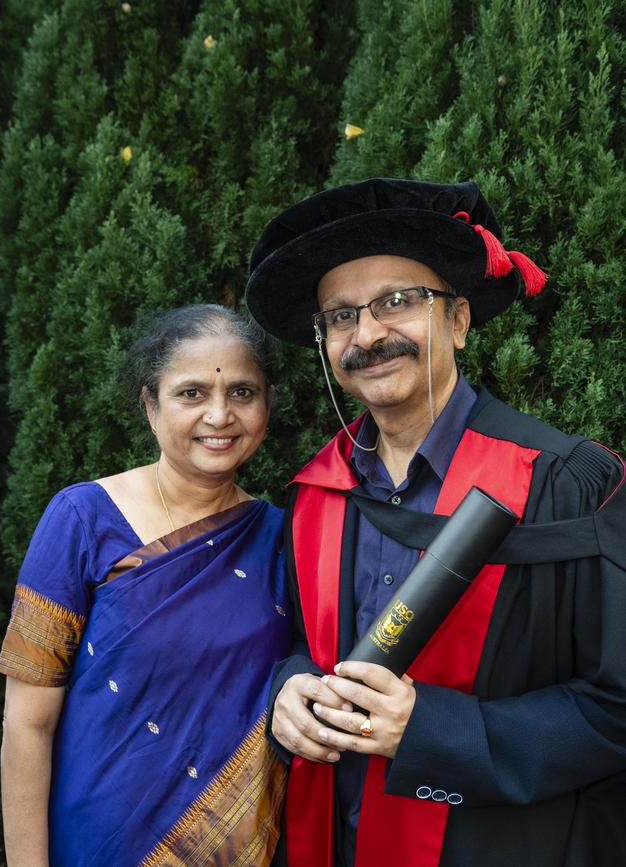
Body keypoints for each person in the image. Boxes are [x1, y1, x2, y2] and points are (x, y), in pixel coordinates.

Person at [244, 179, 626, 867]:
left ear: (457, 320)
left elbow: (615, 707)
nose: (367, 334)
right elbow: (307, 644)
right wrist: (289, 691)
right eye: (340, 315)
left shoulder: (565, 482)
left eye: (397, 301)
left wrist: (433, 729)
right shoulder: (316, 493)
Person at [0, 305, 291, 867]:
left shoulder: (283, 538)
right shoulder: (83, 518)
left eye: (243, 394)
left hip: (235, 844)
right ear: (150, 405)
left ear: (267, 407)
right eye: (191, 394)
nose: (220, 415)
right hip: (98, 840)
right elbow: (28, 723)